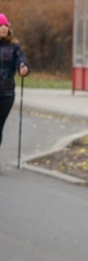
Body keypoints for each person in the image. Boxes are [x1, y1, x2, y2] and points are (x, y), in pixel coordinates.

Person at [0, 13, 29, 164]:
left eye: (6, 25)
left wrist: (23, 68)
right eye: (1, 25)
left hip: (6, 93)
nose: (4, 28)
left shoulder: (14, 48)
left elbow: (21, 60)